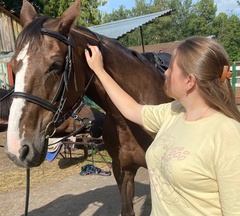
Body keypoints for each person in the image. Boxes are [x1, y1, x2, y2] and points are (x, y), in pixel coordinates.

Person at [85, 36, 240, 216]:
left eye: (172, 68)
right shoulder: (174, 111)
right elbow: (132, 109)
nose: (165, 72)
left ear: (189, 81)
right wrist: (100, 70)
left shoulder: (227, 134)